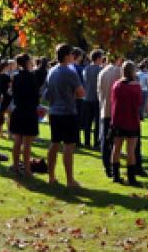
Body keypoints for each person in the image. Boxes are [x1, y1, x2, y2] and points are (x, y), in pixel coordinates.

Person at [44, 43, 84, 187]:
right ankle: (69, 180)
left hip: (54, 112)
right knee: (68, 146)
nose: (74, 57)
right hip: (68, 112)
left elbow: (47, 94)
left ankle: (51, 176)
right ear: (67, 55)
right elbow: (81, 93)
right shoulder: (69, 72)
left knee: (54, 143)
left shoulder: (51, 71)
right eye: (72, 54)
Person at [109, 61, 144, 186]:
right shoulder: (135, 87)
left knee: (116, 147)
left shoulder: (116, 85)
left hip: (118, 119)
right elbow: (139, 103)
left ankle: (116, 175)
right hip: (131, 120)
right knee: (131, 150)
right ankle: (131, 178)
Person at [10, 53, 42, 176]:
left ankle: (16, 166)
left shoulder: (16, 77)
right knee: (27, 143)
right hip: (29, 111)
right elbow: (35, 95)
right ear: (28, 62)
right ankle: (27, 169)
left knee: (17, 140)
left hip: (18, 110)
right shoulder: (31, 77)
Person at [97, 54, 124, 177]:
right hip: (116, 111)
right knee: (115, 142)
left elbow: (99, 92)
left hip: (104, 109)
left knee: (105, 141)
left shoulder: (102, 72)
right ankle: (114, 167)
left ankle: (107, 167)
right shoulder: (119, 71)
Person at [81, 50, 104, 149]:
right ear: (98, 58)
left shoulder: (86, 68)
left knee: (87, 122)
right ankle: (96, 142)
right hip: (96, 98)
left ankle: (86, 142)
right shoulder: (100, 70)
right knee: (97, 123)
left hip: (86, 98)